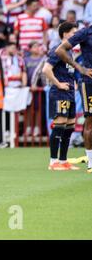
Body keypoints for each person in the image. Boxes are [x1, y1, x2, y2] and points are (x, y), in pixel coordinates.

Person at [55, 17, 92, 174]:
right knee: (90, 122)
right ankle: (91, 162)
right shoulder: (86, 32)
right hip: (89, 82)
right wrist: (80, 68)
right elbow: (60, 50)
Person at [42, 21, 80, 171]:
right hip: (59, 93)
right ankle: (53, 162)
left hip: (69, 93)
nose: (76, 36)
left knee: (69, 127)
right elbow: (46, 69)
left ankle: (63, 160)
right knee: (59, 126)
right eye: (73, 33)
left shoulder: (69, 52)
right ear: (65, 34)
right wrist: (58, 84)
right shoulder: (57, 50)